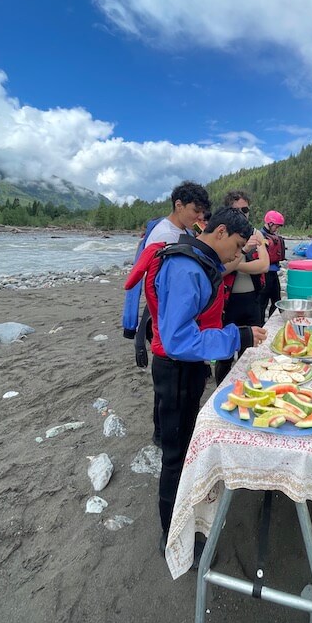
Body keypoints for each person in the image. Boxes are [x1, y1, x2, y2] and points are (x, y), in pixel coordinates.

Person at [146, 207, 267, 564]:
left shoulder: (195, 260)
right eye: (238, 245)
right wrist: (236, 337)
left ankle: (182, 523)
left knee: (183, 450)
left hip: (187, 370)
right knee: (175, 456)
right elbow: (178, 339)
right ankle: (172, 538)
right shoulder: (185, 268)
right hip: (176, 371)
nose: (236, 254)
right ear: (221, 232)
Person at [123, 181, 211, 446]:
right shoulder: (164, 235)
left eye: (202, 212)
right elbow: (158, 283)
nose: (199, 217)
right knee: (166, 383)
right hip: (162, 316)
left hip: (174, 315)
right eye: (195, 210)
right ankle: (161, 434)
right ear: (178, 205)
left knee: (172, 382)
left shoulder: (186, 228)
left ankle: (166, 431)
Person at [214, 191, 269, 386]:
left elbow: (263, 265)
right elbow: (217, 272)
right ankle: (221, 387)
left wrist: (234, 263)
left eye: (245, 209)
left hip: (252, 300)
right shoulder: (220, 236)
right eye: (238, 210)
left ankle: (249, 387)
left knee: (252, 349)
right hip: (228, 303)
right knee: (225, 354)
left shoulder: (256, 234)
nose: (243, 214)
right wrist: (244, 252)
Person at [259, 210, 286, 323]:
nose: (277, 229)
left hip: (273, 273)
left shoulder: (273, 236)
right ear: (269, 223)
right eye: (276, 226)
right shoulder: (260, 236)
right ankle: (260, 324)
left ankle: (272, 323)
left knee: (276, 300)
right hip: (264, 274)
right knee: (262, 302)